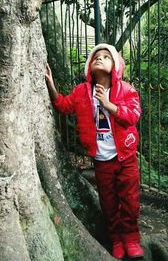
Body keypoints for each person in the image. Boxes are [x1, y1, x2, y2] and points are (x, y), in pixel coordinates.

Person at [45, 43, 144, 260]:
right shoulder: (82, 92)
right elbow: (63, 105)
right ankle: (117, 239)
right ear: (89, 66)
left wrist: (109, 105)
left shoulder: (126, 90)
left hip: (125, 157)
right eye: (95, 56)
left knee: (129, 200)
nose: (99, 58)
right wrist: (51, 86)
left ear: (115, 66)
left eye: (105, 56)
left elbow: (133, 116)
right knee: (108, 202)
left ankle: (131, 238)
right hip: (101, 160)